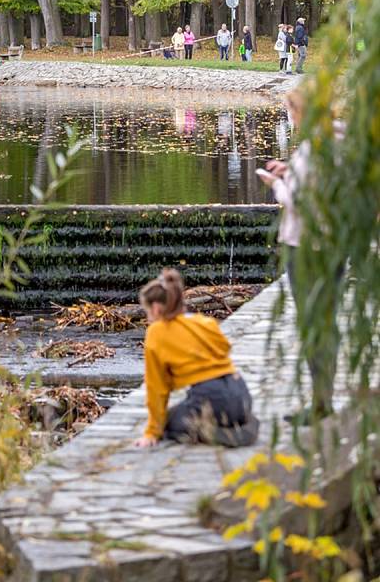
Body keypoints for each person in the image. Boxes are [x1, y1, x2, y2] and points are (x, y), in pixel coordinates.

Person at [258, 88, 343, 424]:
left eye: (291, 111)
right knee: (327, 319)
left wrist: (276, 184)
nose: (290, 118)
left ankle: (320, 403)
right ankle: (324, 397)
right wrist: (290, 170)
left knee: (313, 321)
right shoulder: (340, 141)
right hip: (334, 243)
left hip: (307, 246)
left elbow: (300, 201)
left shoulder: (316, 146)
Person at [135, 268, 259, 448]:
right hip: (240, 392)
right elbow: (225, 346)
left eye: (147, 312)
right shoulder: (202, 321)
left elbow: (157, 387)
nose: (148, 317)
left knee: (171, 424)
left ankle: (226, 436)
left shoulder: (157, 331)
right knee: (186, 407)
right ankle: (243, 422)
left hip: (212, 397)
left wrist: (152, 432)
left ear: (155, 308)